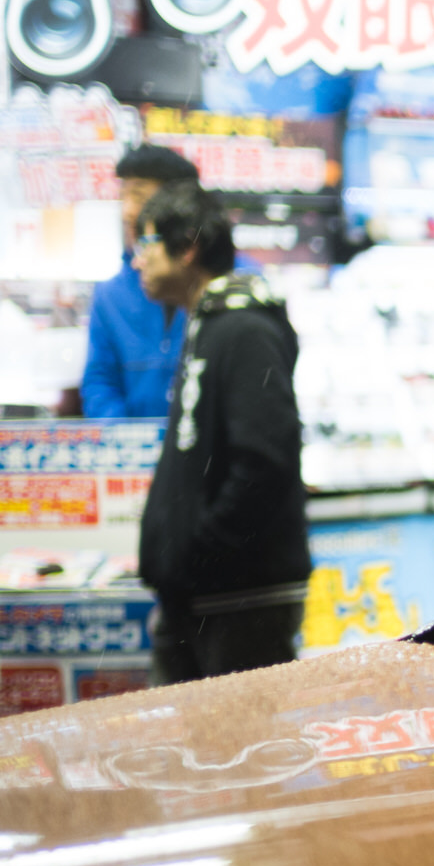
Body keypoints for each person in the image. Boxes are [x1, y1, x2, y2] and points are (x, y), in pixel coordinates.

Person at [133, 184, 311, 683]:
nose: (137, 261)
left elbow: (265, 461)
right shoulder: (208, 323)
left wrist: (200, 552)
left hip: (240, 598)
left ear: (187, 247)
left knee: (246, 732)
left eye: (146, 244)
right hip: (203, 595)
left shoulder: (244, 330)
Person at [82, 145, 202, 419]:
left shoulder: (229, 285)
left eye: (138, 196)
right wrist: (126, 436)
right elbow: (99, 383)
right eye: (122, 197)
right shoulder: (110, 294)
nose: (127, 211)